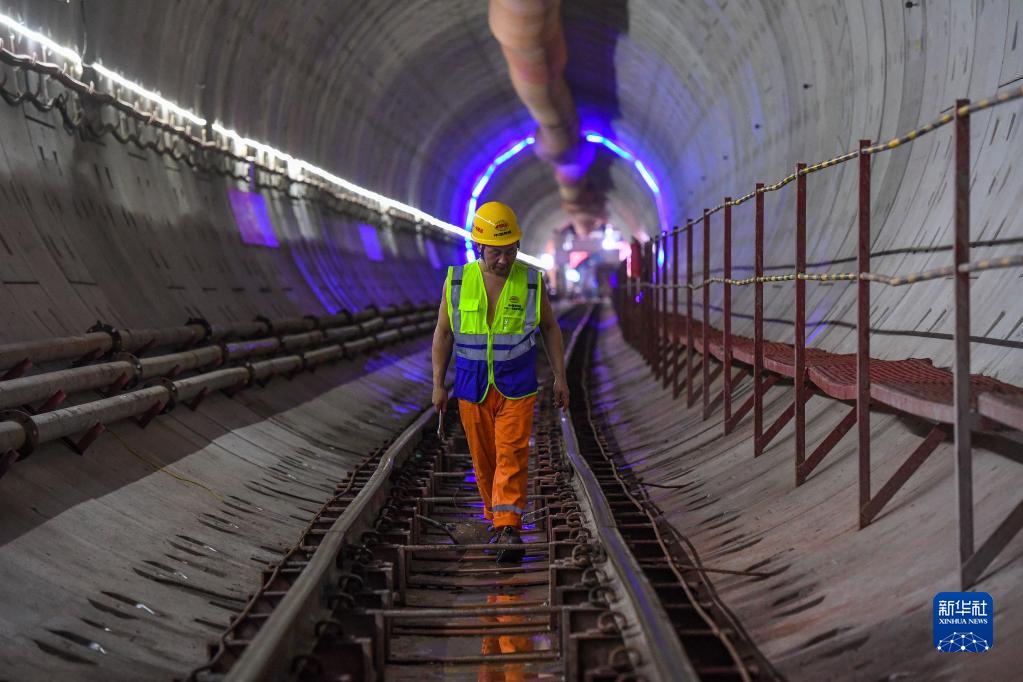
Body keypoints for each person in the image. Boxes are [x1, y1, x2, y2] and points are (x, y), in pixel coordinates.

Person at [431, 201, 568, 563]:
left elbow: (550, 328)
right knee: (484, 460)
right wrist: (438, 384)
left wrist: (560, 377)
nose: (504, 260)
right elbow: (443, 334)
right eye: (496, 252)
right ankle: (496, 520)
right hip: (471, 387)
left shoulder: (532, 281)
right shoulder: (457, 281)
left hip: (517, 385)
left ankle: (508, 528)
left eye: (510, 251)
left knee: (512, 454)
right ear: (479, 247)